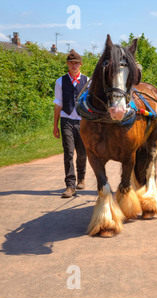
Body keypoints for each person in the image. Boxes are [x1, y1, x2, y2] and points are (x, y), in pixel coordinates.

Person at [53, 50, 89, 198]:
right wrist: (55, 125)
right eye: (71, 63)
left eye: (76, 63)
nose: (74, 65)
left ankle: (81, 178)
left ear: (80, 64)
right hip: (66, 119)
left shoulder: (88, 81)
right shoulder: (60, 81)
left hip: (83, 121)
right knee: (68, 153)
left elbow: (91, 103)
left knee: (82, 153)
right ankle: (70, 185)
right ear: (67, 64)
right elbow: (58, 104)